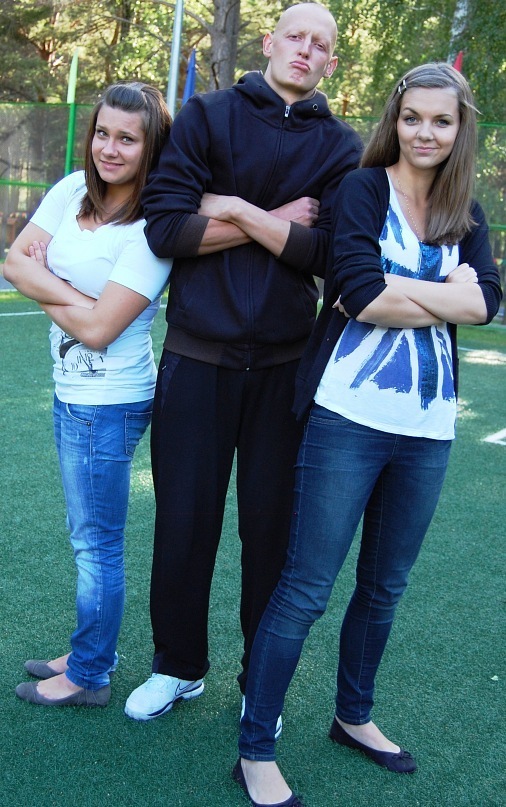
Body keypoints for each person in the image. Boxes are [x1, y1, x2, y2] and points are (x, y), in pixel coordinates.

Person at [235, 62, 502, 806]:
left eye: (441, 120)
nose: (425, 132)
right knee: (306, 589)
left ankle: (353, 716)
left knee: (384, 588)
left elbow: (487, 304)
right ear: (396, 120)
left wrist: (400, 291)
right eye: (413, 117)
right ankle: (255, 748)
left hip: (429, 426)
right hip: (347, 420)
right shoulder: (361, 190)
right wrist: (445, 293)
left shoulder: (466, 212)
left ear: (460, 128)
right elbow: (357, 294)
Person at [124, 3, 362, 724]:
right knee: (184, 522)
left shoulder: (341, 147)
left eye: (320, 44)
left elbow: (331, 253)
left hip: (287, 369)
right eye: (296, 36)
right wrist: (276, 220)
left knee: (270, 535)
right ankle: (177, 667)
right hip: (197, 358)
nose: (306, 49)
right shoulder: (208, 116)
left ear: (330, 63)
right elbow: (167, 227)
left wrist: (230, 209)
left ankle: (260, 681)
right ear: (270, 41)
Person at [5, 82, 172, 707]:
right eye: (103, 133)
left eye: (127, 138)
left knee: (96, 544)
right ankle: (88, 650)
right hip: (70, 390)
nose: (109, 148)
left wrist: (44, 279)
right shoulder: (73, 188)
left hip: (110, 403)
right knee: (88, 536)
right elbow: (12, 262)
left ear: (151, 147)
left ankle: (90, 674)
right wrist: (76, 300)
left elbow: (102, 331)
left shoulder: (153, 226)